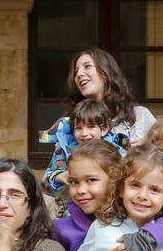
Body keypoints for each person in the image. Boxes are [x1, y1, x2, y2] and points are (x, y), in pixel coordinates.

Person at [42, 48, 156, 193]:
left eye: (87, 66)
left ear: (107, 71)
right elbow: (46, 187)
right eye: (76, 71)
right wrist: (61, 177)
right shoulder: (69, 125)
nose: (79, 74)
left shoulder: (140, 116)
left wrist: (147, 151)